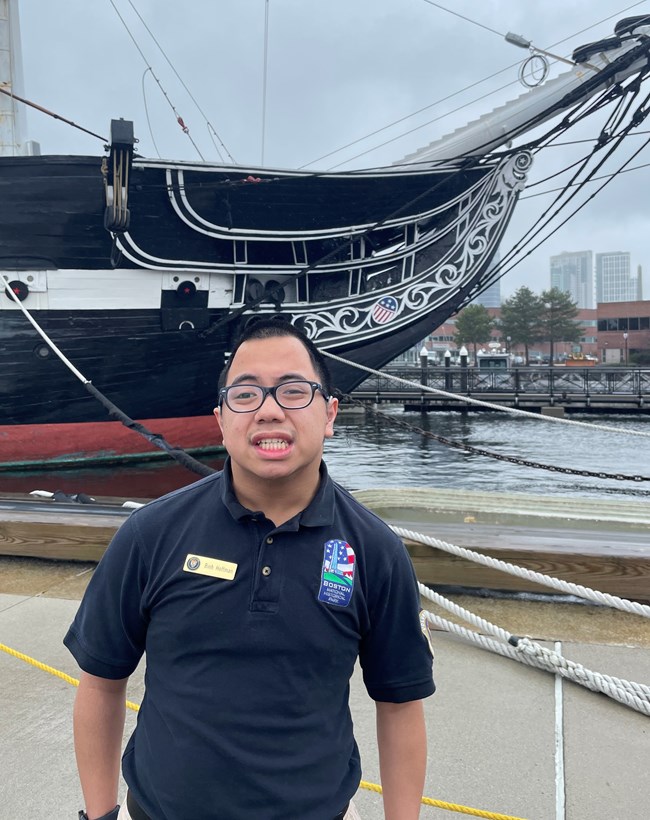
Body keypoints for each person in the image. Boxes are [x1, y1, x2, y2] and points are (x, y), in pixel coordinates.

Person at [65, 317, 435, 820]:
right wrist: (99, 813)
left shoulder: (374, 550)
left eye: (293, 391)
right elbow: (101, 680)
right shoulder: (151, 534)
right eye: (246, 394)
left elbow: (399, 704)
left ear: (330, 413)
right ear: (221, 419)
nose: (269, 411)